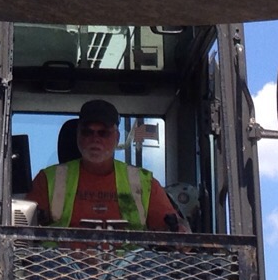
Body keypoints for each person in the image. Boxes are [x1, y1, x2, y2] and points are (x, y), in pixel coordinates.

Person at [29, 99, 185, 231]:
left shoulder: (145, 183)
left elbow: (174, 233)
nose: (95, 139)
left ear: (117, 138)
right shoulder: (47, 180)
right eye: (87, 132)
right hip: (60, 259)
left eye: (103, 133)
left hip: (130, 259)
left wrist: (181, 232)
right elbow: (26, 230)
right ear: (77, 135)